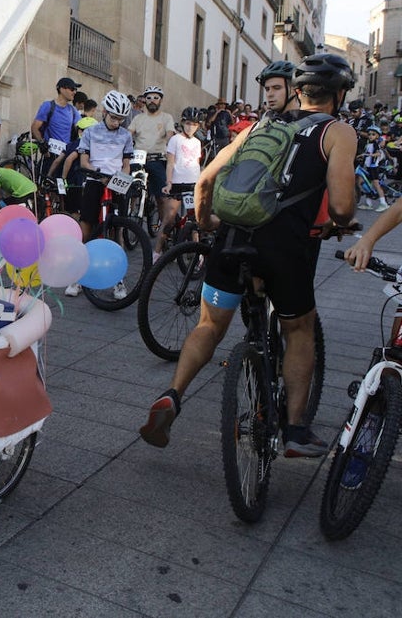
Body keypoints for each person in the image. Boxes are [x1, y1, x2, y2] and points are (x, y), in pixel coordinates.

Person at [139, 53, 359, 457]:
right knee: (299, 330)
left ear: (297, 91)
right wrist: (340, 223)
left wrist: (206, 224)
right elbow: (343, 207)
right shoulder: (338, 132)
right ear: (340, 94)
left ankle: (173, 394)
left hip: (232, 241)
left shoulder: (260, 125)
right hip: (286, 251)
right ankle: (294, 429)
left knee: (208, 326)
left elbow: (205, 179)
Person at [65, 90, 133, 297]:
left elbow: (126, 164)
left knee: (117, 230)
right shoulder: (91, 133)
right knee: (86, 227)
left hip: (115, 182)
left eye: (121, 119)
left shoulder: (126, 135)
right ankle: (77, 276)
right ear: (104, 112)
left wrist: (122, 177)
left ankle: (118, 279)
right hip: (95, 179)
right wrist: (95, 172)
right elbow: (84, 160)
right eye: (113, 117)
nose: (117, 122)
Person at [155, 107, 204, 257]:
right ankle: (156, 252)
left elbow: (196, 163)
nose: (191, 127)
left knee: (194, 220)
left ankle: (197, 254)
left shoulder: (197, 142)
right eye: (188, 123)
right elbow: (170, 163)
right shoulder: (175, 140)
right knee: (169, 218)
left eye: (194, 124)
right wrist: (169, 182)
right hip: (177, 182)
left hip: (193, 183)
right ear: (183, 122)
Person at [128, 85, 175, 228]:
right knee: (129, 188)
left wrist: (169, 142)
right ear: (144, 100)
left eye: (156, 98)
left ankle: (164, 226)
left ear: (161, 100)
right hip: (138, 159)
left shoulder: (166, 117)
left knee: (162, 196)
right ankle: (130, 212)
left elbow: (170, 134)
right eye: (149, 98)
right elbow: (128, 134)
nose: (152, 101)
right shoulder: (138, 118)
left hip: (157, 158)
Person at [30, 76, 80, 150]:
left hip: (66, 153)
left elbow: (81, 129)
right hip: (51, 153)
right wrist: (42, 144)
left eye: (75, 90)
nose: (74, 92)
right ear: (62, 89)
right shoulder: (48, 106)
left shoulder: (73, 110)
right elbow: (34, 128)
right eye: (72, 89)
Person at [360, 125, 390, 212]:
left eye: (373, 134)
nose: (370, 136)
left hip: (374, 167)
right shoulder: (369, 144)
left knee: (376, 185)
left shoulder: (375, 144)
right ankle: (368, 203)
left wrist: (370, 155)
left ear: (377, 136)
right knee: (367, 184)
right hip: (368, 167)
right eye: (369, 134)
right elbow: (366, 154)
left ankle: (383, 203)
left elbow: (378, 154)